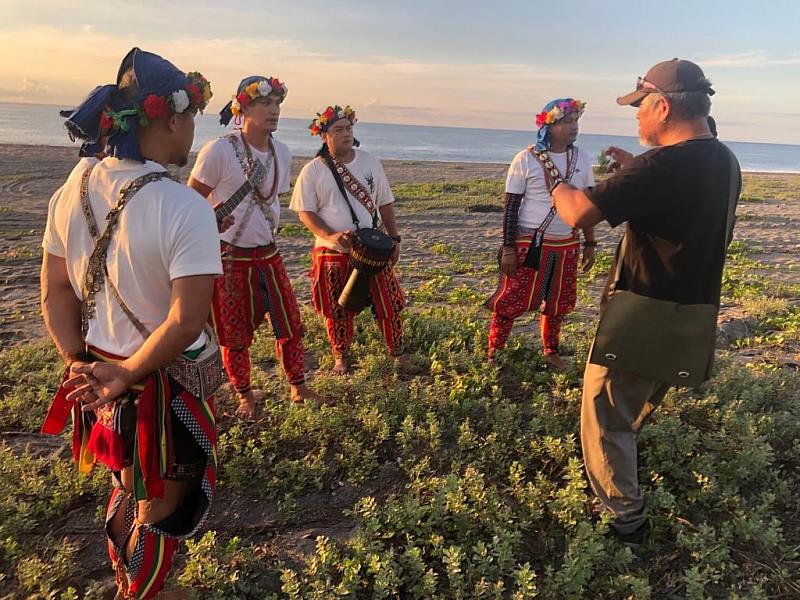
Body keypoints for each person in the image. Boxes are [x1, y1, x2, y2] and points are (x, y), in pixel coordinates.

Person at [40, 48, 222, 598]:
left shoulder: (71, 189)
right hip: (153, 383)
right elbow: (186, 322)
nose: (194, 131)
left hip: (96, 370)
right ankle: (141, 588)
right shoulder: (182, 206)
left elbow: (54, 292)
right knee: (160, 497)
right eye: (193, 117)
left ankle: (131, 576)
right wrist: (125, 375)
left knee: (127, 481)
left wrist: (79, 362)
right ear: (171, 117)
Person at [551, 59, 741, 543]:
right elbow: (676, 192)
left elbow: (579, 213)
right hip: (691, 315)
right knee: (632, 408)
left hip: (643, 313)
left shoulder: (660, 167)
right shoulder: (724, 160)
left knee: (606, 414)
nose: (635, 117)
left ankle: (625, 524)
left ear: (662, 106)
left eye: (639, 107)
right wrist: (632, 171)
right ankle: (628, 482)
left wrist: (553, 180)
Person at [189, 76, 323, 417]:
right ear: (243, 108)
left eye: (277, 104)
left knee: (289, 324)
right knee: (233, 335)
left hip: (268, 253)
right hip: (229, 256)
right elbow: (190, 203)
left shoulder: (283, 151)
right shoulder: (218, 150)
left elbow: (272, 201)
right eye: (265, 104)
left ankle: (299, 387)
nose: (274, 111)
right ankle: (244, 395)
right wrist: (213, 219)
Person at [289, 105, 408, 375]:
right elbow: (305, 213)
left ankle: (397, 353)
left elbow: (385, 203)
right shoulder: (313, 170)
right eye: (338, 129)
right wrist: (331, 235)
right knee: (337, 309)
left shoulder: (369, 161)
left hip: (373, 249)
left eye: (349, 128)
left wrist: (394, 237)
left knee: (390, 303)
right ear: (324, 136)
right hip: (332, 250)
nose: (346, 133)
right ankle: (340, 357)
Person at [486, 98, 596, 370]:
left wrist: (590, 242)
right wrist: (509, 248)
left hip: (567, 243)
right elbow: (511, 205)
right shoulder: (526, 158)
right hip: (530, 243)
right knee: (511, 299)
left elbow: (588, 204)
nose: (574, 127)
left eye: (576, 121)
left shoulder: (582, 157)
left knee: (558, 301)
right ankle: (494, 353)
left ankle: (551, 351)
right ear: (550, 125)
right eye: (567, 121)